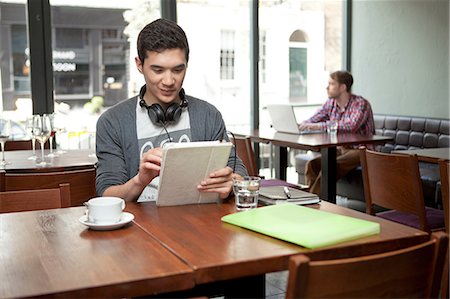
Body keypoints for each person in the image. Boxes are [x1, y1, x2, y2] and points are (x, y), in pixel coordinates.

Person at [95, 18, 247, 202]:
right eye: (158, 70)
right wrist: (140, 180)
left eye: (177, 70)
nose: (168, 81)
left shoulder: (208, 115)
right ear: (139, 65)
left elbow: (238, 172)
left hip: (199, 222)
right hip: (141, 227)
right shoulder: (112, 122)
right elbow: (106, 194)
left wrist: (232, 182)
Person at [299, 70, 374, 196]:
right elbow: (314, 119)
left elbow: (351, 126)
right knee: (312, 165)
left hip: (361, 150)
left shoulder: (361, 104)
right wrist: (301, 125)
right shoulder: (331, 103)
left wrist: (314, 126)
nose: (327, 87)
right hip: (340, 149)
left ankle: (313, 204)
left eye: (331, 84)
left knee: (329, 168)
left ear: (343, 87)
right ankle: (312, 202)